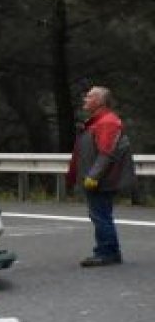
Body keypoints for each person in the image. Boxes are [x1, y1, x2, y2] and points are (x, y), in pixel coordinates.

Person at [67, 85, 136, 267]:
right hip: (99, 178)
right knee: (99, 214)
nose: (85, 100)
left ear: (99, 101)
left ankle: (107, 253)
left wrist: (94, 176)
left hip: (102, 179)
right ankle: (107, 250)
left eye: (89, 97)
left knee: (101, 215)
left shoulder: (107, 122)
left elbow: (107, 152)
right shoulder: (98, 122)